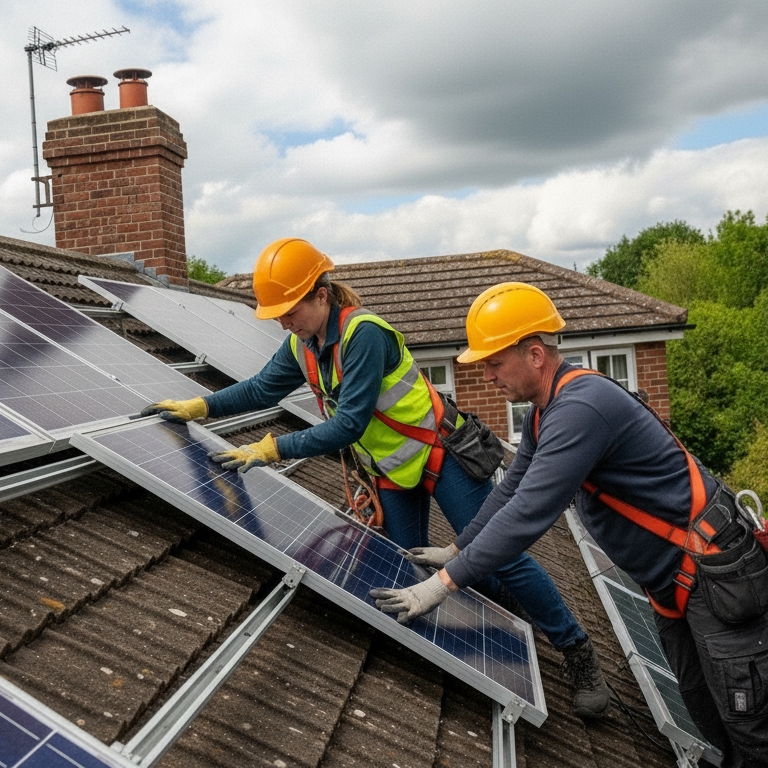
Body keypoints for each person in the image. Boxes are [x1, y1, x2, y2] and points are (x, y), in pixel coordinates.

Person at [141, 239, 609, 717]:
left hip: (440, 454)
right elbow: (263, 388)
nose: (283, 321)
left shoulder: (363, 334)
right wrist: (201, 405)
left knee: (495, 553)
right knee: (403, 564)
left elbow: (349, 424)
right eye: (277, 314)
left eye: (290, 309)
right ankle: (499, 614)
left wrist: (274, 448)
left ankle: (576, 650)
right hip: (390, 471)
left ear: (321, 296)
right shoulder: (302, 345)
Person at [370, 281, 768, 768]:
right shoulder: (545, 413)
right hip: (676, 586)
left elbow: (528, 513)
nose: (488, 376)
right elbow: (510, 492)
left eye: (495, 363)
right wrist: (457, 549)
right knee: (707, 709)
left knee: (749, 722)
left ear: (535, 354)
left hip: (715, 579)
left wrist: (442, 585)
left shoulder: (580, 409)